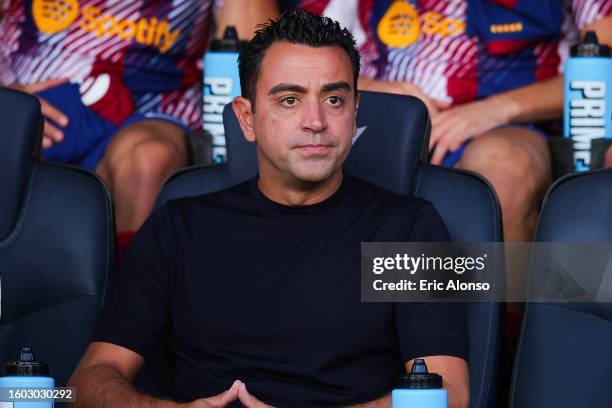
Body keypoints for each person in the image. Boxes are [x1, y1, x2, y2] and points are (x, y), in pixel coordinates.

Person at [68, 10, 469, 408]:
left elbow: (448, 394)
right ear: (247, 118)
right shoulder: (178, 226)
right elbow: (90, 380)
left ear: (355, 110)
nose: (316, 121)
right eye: (289, 100)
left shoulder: (413, 229)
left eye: (334, 99)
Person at [298, 0, 612, 243]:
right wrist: (383, 92)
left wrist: (494, 110)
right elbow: (294, 54)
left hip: (508, 125)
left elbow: (604, 66)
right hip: (379, 113)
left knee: (504, 173)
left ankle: (492, 327)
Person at [0, 0, 279, 233]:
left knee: (149, 157)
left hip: (152, 106)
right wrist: (8, 98)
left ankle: (133, 292)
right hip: (26, 96)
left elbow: (261, 56)